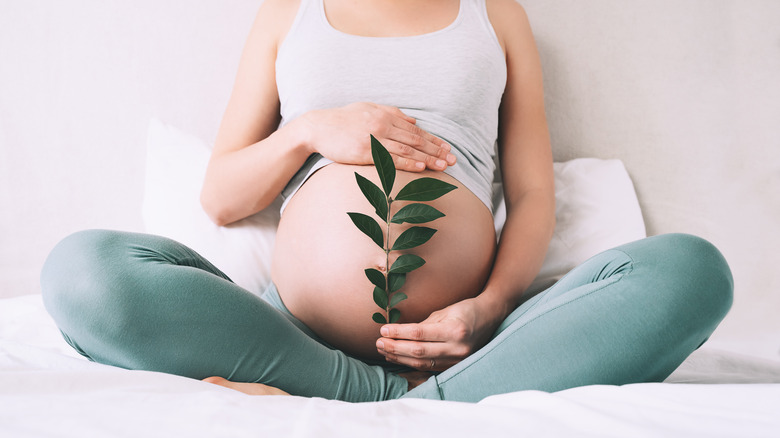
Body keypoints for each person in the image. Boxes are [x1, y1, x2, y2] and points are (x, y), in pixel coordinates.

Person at [41, 0, 733, 403]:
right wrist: (311, 131)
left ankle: (409, 394)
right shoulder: (289, 13)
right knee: (81, 272)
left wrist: (489, 309)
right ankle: (389, 397)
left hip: (472, 343)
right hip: (293, 338)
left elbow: (530, 195)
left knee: (693, 271)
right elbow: (221, 197)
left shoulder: (496, 14)